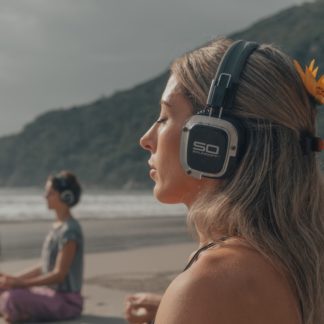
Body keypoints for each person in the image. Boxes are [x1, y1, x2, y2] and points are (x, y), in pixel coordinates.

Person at [125, 38, 324, 324]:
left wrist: (186, 306)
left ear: (211, 139)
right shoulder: (301, 262)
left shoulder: (208, 285)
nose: (146, 139)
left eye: (165, 116)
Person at [0, 170, 84, 323]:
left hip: (66, 301)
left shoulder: (70, 231)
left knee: (12, 297)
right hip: (48, 294)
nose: (45, 196)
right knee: (2, 288)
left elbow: (59, 274)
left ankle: (15, 310)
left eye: (50, 192)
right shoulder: (57, 227)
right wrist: (12, 279)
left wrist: (21, 284)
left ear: (65, 196)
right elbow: (44, 267)